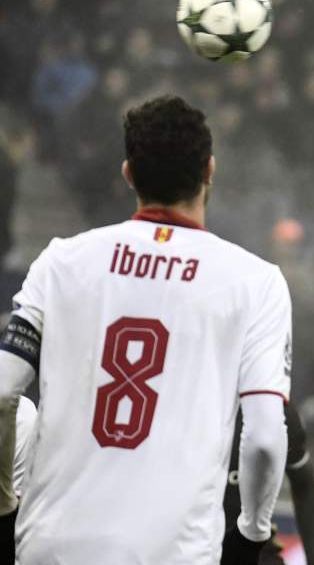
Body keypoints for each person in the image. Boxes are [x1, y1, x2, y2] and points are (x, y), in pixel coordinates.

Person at [0, 95, 292, 565]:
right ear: (209, 171)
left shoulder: (60, 261)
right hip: (172, 551)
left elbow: (3, 391)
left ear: (128, 174)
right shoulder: (255, 283)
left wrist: (3, 506)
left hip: (50, 547)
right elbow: (262, 436)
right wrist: (253, 533)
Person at [223, 402, 314, 565]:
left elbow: (305, 487)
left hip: (256, 548)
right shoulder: (188, 410)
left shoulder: (279, 414)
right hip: (194, 544)